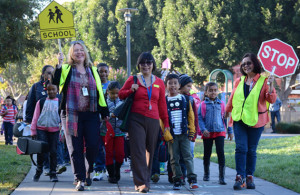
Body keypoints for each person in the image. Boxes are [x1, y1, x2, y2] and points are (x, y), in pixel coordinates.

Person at [53, 41, 109, 191]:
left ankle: (87, 169)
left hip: (90, 113)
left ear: (85, 52)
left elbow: (99, 92)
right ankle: (80, 179)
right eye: (75, 50)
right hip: (71, 114)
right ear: (71, 54)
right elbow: (55, 82)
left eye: (81, 50)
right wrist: (58, 64)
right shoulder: (66, 68)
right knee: (74, 148)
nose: (79, 53)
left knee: (93, 145)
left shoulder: (93, 70)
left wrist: (104, 111)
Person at [119, 52, 170, 193]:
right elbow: (120, 94)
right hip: (136, 119)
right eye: (143, 63)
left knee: (150, 151)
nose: (146, 65)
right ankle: (140, 183)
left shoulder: (159, 82)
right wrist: (130, 90)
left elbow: (162, 106)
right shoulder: (133, 79)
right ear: (139, 65)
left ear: (153, 64)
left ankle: (146, 181)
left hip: (153, 120)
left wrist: (166, 124)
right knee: (138, 151)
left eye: (149, 62)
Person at [225, 53, 276, 190]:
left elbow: (271, 100)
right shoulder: (239, 81)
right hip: (239, 119)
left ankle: (249, 177)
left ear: (255, 64)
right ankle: (239, 176)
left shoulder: (264, 81)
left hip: (256, 120)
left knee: (251, 150)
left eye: (248, 63)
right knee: (241, 148)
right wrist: (227, 111)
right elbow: (233, 98)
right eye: (243, 64)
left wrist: (271, 86)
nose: (246, 66)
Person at [163, 74, 198, 190]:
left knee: (188, 156)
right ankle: (177, 179)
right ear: (166, 85)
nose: (172, 85)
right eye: (170, 83)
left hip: (184, 134)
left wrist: (192, 131)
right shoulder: (164, 101)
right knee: (174, 158)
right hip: (172, 136)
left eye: (175, 83)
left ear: (179, 85)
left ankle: (192, 179)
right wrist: (166, 134)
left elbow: (191, 116)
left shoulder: (185, 99)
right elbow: (161, 119)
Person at [198, 82, 234, 185]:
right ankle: (206, 174)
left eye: (215, 90)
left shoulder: (222, 104)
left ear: (218, 91)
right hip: (207, 133)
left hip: (220, 131)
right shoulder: (203, 104)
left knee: (221, 154)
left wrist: (230, 131)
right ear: (206, 92)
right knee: (207, 154)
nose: (213, 92)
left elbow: (225, 119)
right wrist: (203, 129)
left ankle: (221, 177)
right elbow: (200, 118)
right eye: (210, 90)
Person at [31, 83, 60, 182]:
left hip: (55, 130)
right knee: (42, 151)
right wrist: (33, 130)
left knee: (53, 152)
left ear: (57, 90)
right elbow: (35, 117)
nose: (51, 91)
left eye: (53, 89)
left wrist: (63, 131)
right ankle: (38, 170)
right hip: (41, 129)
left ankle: (53, 173)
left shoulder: (60, 102)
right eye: (49, 90)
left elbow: (63, 117)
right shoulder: (41, 102)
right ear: (46, 91)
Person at [101, 81, 125, 183]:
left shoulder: (123, 102)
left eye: (117, 93)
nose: (115, 95)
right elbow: (100, 116)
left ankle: (117, 169)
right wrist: (109, 115)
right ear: (108, 92)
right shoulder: (104, 102)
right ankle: (111, 174)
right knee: (109, 153)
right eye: (112, 93)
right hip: (106, 132)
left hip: (119, 131)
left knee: (120, 154)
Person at [92, 62, 111, 181]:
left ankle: (110, 167)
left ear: (108, 73)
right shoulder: (94, 85)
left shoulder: (111, 86)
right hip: (96, 119)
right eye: (101, 72)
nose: (103, 74)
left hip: (108, 120)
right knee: (98, 145)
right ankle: (99, 169)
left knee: (109, 145)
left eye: (105, 71)